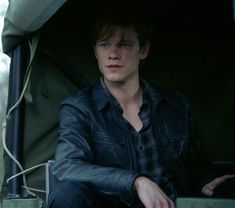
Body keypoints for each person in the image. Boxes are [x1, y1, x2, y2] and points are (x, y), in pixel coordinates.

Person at [48, 10, 234, 208]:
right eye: (104, 45)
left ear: (143, 50)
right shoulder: (79, 108)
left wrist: (211, 181)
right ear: (95, 51)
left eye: (124, 45)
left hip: (171, 204)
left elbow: (197, 166)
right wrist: (136, 181)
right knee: (65, 194)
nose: (112, 54)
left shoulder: (175, 105)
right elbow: (67, 167)